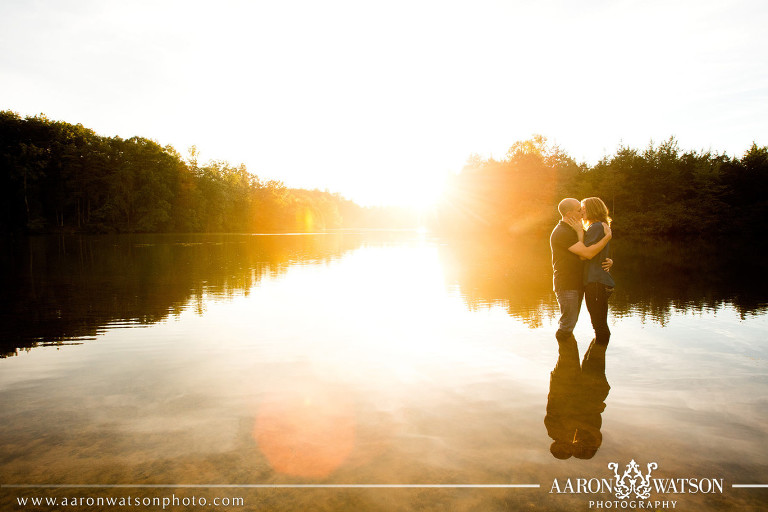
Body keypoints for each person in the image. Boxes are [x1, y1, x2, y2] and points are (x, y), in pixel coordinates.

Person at [550, 198, 612, 343]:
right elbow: (587, 254)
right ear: (569, 213)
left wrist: (609, 261)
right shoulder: (562, 232)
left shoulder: (578, 230)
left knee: (572, 323)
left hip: (580, 283)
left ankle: (570, 361)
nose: (582, 211)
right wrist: (608, 237)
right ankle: (564, 360)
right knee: (567, 324)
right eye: (579, 209)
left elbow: (595, 253)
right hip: (567, 284)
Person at [579, 197, 615, 346]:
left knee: (599, 325)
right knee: (599, 324)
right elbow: (600, 253)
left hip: (596, 283)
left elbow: (584, 254)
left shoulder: (596, 227)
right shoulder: (601, 226)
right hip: (600, 281)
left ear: (592, 209)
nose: (581, 212)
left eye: (584, 208)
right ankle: (596, 361)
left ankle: (596, 365)